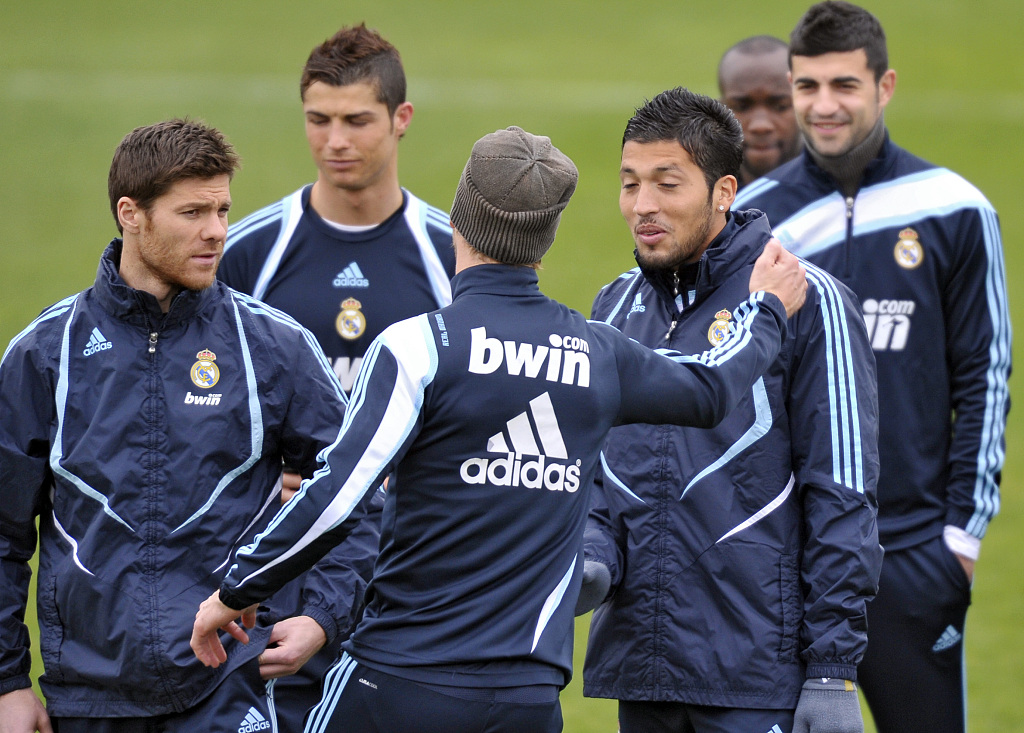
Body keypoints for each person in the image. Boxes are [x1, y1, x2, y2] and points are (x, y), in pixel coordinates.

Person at [190, 125, 809, 733]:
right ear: (546, 241)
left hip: (401, 681)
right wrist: (766, 310)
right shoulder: (598, 353)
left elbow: (336, 497)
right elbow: (711, 390)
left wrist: (235, 591)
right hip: (528, 698)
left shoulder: (420, 346)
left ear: (459, 222)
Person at [0, 119, 359, 733]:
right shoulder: (46, 354)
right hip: (89, 698)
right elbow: (5, 533)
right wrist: (7, 681)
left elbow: (354, 492)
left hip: (229, 688)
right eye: (192, 212)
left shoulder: (274, 348)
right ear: (131, 215)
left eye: (222, 210)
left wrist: (323, 615)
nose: (216, 231)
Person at [734, 3, 1011, 732]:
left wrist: (961, 539)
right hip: (784, 552)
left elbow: (986, 375)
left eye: (844, 86)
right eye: (808, 86)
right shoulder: (754, 220)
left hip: (912, 552)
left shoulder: (956, 209)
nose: (823, 105)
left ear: (884, 87)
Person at [577, 87, 881, 733]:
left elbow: (842, 491)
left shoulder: (809, 301)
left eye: (667, 183)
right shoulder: (613, 307)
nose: (643, 205)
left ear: (723, 192)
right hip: (643, 671)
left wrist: (832, 669)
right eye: (630, 184)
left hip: (757, 678)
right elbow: (596, 477)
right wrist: (594, 558)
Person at [216, 24, 455, 728]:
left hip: (413, 564)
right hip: (287, 569)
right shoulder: (249, 253)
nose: (334, 141)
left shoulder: (451, 255)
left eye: (356, 121)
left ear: (400, 118)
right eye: (318, 120)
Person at [718, 35, 802, 189]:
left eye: (781, 106)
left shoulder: (838, 188)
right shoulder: (699, 191)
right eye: (741, 107)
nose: (760, 126)